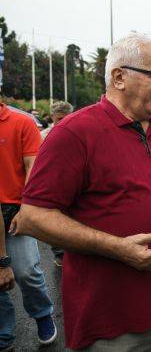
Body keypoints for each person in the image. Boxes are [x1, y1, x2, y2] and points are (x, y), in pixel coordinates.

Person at [14, 33, 151, 351]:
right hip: (115, 315)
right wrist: (118, 247)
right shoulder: (74, 132)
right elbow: (32, 218)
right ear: (119, 77)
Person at [0, 99, 57, 350]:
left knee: (26, 271)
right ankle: (4, 332)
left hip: (15, 212)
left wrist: (27, 209)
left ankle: (43, 315)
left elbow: (33, 169)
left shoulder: (20, 122)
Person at [38, 101, 74, 266]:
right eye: (59, 118)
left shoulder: (80, 132)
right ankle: (59, 253)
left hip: (74, 181)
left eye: (65, 117)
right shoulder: (44, 135)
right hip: (52, 183)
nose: (62, 121)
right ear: (52, 117)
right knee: (55, 218)